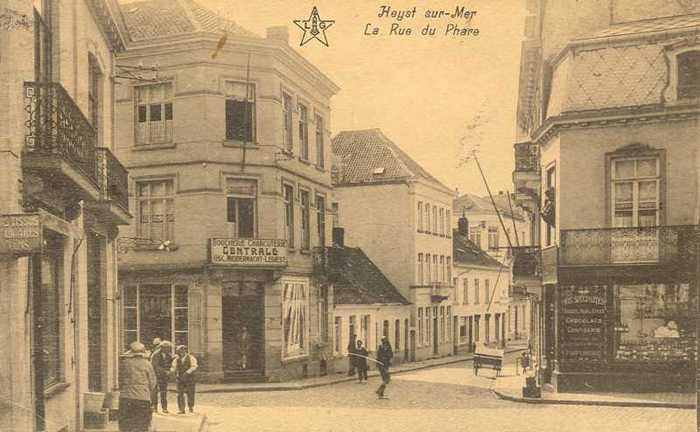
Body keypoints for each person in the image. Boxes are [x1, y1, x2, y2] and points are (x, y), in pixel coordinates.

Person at [119, 341, 157, 432]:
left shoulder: (125, 363)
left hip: (126, 397)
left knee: (126, 425)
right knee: (142, 425)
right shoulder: (147, 364)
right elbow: (153, 382)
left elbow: (120, 379)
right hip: (142, 397)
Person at [171, 345, 198, 414]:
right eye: (179, 351)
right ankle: (181, 409)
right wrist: (172, 371)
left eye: (182, 351)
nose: (181, 352)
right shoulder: (176, 359)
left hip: (190, 378)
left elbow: (194, 366)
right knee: (180, 394)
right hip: (180, 378)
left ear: (185, 351)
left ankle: (190, 407)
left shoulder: (191, 358)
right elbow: (173, 367)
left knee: (190, 393)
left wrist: (187, 373)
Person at [150, 340, 173, 413]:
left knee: (163, 392)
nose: (168, 349)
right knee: (154, 392)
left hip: (164, 377)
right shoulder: (156, 354)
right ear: (162, 347)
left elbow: (170, 364)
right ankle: (154, 407)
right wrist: (165, 371)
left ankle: (164, 408)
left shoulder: (169, 355)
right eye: (167, 348)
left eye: (169, 348)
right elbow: (155, 366)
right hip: (155, 375)